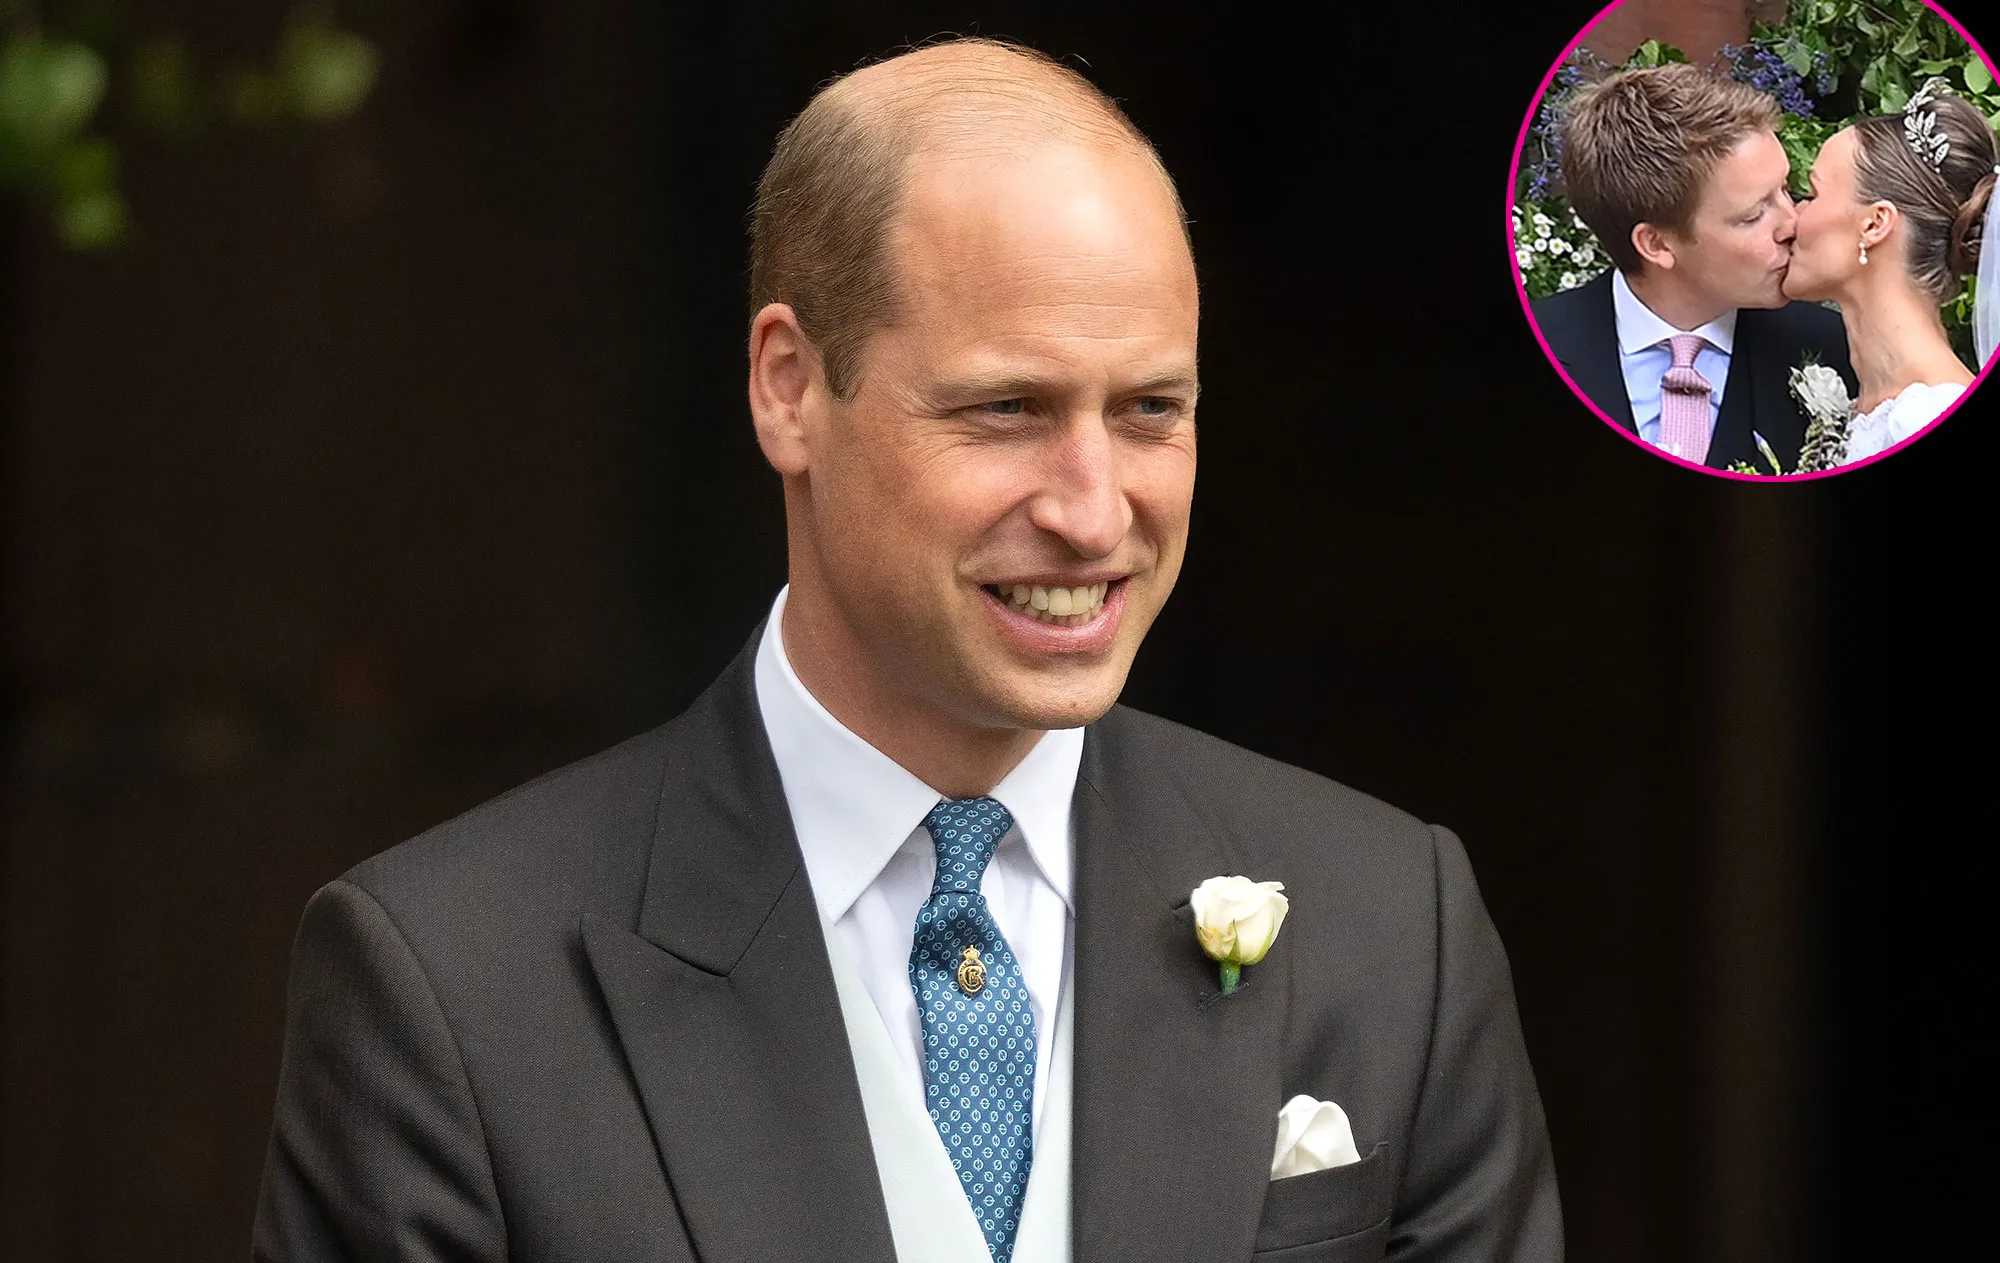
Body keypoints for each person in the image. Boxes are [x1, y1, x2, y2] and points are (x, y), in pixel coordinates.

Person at [254, 39, 1561, 1262]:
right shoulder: (447, 985)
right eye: (1007, 408)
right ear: (787, 387)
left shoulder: (1395, 926)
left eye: (1151, 408)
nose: (1095, 510)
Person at [1533, 63, 1856, 471]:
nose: (1792, 224)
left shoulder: (1833, 351)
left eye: (1786, 190)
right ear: (1657, 244)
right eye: (1754, 215)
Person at [1782, 79, 1999, 467]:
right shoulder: (1860, 411)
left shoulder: (1927, 417)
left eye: (1811, 195)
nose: (1791, 216)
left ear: (1874, 224)